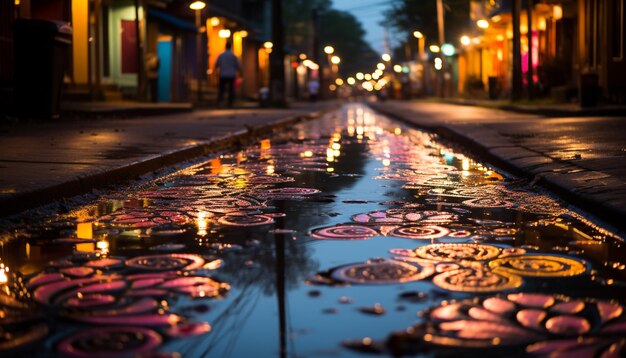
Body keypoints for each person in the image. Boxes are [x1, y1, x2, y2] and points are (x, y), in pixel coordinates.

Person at [214, 42, 241, 107]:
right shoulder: (233, 55)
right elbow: (238, 65)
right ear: (231, 47)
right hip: (231, 75)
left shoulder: (221, 55)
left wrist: (215, 73)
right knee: (231, 89)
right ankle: (230, 103)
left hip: (222, 74)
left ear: (225, 47)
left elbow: (216, 64)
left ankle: (220, 103)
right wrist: (240, 73)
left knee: (221, 89)